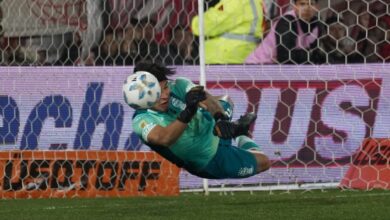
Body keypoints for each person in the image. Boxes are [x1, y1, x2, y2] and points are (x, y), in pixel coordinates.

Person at [128, 62, 270, 179]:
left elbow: (206, 98)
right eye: (160, 91)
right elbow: (164, 138)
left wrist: (220, 119)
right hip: (212, 160)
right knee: (264, 162)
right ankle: (240, 133)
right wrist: (189, 111)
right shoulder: (141, 120)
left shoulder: (178, 85)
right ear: (145, 96)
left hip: (216, 128)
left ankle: (230, 128)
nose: (166, 94)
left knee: (225, 100)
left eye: (166, 87)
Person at [245, 0, 320, 64]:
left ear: (317, 7)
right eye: (302, 4)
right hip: (259, 66)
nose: (307, 8)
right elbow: (285, 57)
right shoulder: (286, 22)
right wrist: (311, 55)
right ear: (295, 6)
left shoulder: (316, 26)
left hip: (278, 69)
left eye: (311, 4)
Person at [191, 0, 265, 64]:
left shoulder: (236, 1)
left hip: (224, 59)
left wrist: (193, 23)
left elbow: (205, 25)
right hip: (239, 56)